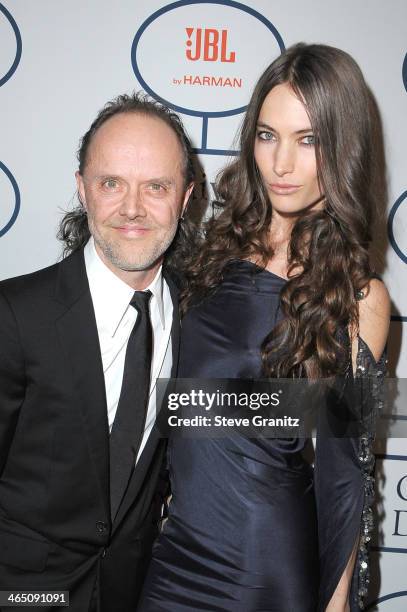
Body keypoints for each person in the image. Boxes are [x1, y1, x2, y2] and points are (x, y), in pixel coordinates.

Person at [137, 44, 390, 612]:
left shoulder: (358, 297)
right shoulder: (209, 254)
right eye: (268, 135)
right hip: (174, 549)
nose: (280, 164)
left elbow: (345, 473)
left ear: (343, 148)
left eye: (308, 141)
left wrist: (336, 603)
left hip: (262, 561)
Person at [0, 93, 194, 611]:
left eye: (156, 186)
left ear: (186, 197)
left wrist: (346, 406)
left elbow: (251, 416)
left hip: (133, 593)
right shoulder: (16, 314)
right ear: (82, 190)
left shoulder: (198, 318)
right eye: (111, 183)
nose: (132, 208)